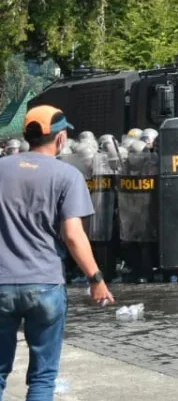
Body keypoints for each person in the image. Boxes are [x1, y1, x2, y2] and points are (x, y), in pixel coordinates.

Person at [0, 105, 114, 400]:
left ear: (27, 134)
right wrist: (96, 278)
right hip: (45, 284)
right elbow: (73, 235)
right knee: (42, 378)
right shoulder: (67, 175)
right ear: (61, 138)